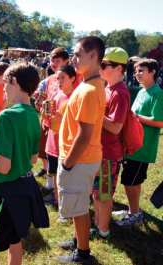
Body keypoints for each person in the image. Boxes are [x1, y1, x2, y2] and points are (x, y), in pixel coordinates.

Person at [0, 61, 49, 265]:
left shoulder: (6, 116)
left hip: (3, 193)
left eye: (5, 84)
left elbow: (3, 167)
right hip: (24, 189)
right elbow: (33, 159)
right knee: (14, 240)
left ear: (14, 82)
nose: (3, 88)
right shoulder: (34, 114)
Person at [56, 36, 106, 264]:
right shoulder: (89, 84)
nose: (73, 59)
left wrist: (67, 163)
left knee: (78, 207)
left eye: (77, 54)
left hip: (79, 160)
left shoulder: (88, 90)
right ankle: (78, 242)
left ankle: (83, 254)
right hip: (81, 159)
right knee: (78, 204)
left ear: (93, 55)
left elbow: (85, 135)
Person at [115, 59, 163, 228]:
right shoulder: (142, 91)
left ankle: (135, 215)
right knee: (133, 180)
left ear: (153, 72)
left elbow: (159, 122)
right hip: (131, 145)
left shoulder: (158, 93)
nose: (136, 74)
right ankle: (132, 209)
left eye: (141, 70)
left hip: (142, 148)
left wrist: (133, 116)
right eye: (135, 71)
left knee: (130, 181)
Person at [90, 48, 130, 239]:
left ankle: (103, 230)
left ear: (118, 68)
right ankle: (97, 225)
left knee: (104, 194)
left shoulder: (120, 92)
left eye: (104, 65)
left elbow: (115, 127)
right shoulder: (107, 88)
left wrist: (96, 113)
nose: (101, 68)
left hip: (109, 154)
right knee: (96, 193)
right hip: (99, 151)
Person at [34, 48, 81, 179]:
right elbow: (51, 97)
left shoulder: (73, 78)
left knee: (58, 157)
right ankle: (49, 181)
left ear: (66, 61)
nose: (53, 63)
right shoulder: (50, 78)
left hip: (64, 127)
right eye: (51, 60)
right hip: (49, 120)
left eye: (57, 61)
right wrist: (40, 100)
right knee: (46, 150)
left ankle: (54, 188)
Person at [41, 65, 76, 224]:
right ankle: (56, 199)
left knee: (66, 180)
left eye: (63, 78)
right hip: (52, 142)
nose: (59, 81)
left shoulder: (75, 98)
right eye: (58, 78)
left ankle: (68, 209)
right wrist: (44, 113)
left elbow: (79, 125)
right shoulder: (56, 93)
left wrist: (64, 119)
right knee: (54, 175)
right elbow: (49, 117)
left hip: (66, 146)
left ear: (73, 79)